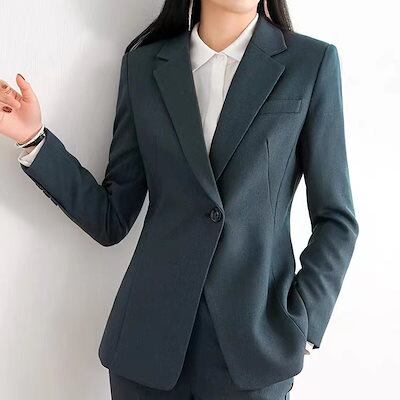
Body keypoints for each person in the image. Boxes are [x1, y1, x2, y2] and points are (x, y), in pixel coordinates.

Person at [0, 0, 359, 399]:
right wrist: (33, 139)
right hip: (147, 348)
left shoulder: (310, 63)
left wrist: (303, 325)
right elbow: (111, 218)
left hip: (254, 350)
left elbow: (336, 219)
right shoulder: (145, 66)